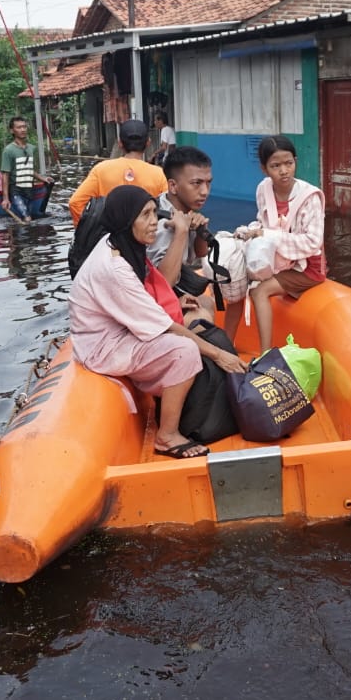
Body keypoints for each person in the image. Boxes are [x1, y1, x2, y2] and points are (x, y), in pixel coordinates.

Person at [68, 185, 246, 459]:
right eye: (145, 215)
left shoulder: (120, 244)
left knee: (194, 325)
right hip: (103, 346)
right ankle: (167, 435)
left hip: (118, 329)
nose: (156, 222)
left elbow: (151, 291)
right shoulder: (114, 267)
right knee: (184, 350)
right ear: (126, 220)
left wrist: (176, 303)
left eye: (154, 212)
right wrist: (219, 355)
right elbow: (163, 327)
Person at [244, 135, 327, 354]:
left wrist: (269, 236)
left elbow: (313, 242)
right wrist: (252, 232)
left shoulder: (310, 197)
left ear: (295, 161)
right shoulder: (263, 190)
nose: (284, 171)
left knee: (259, 292)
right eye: (276, 165)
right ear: (264, 168)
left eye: (288, 163)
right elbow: (263, 222)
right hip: (278, 262)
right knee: (236, 277)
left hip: (307, 268)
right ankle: (229, 344)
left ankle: (265, 353)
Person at [148, 146, 226, 326]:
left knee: (206, 302)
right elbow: (164, 283)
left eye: (208, 182)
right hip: (147, 304)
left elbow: (200, 253)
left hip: (161, 295)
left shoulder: (177, 207)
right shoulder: (159, 223)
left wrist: (200, 231)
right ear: (173, 186)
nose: (205, 191)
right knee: (199, 319)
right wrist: (182, 231)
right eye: (196, 183)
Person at [67, 119, 167, 225]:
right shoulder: (159, 174)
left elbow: (75, 203)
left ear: (120, 144)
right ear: (148, 143)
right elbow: (169, 208)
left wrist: (88, 232)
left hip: (109, 236)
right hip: (146, 236)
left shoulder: (101, 170)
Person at [0, 116, 52, 221]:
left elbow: (29, 170)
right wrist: (5, 199)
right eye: (19, 127)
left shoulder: (31, 148)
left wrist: (43, 179)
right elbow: (5, 175)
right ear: (12, 130)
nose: (22, 130)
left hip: (29, 190)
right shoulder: (8, 150)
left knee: (30, 217)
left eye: (24, 127)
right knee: (27, 218)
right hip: (16, 190)